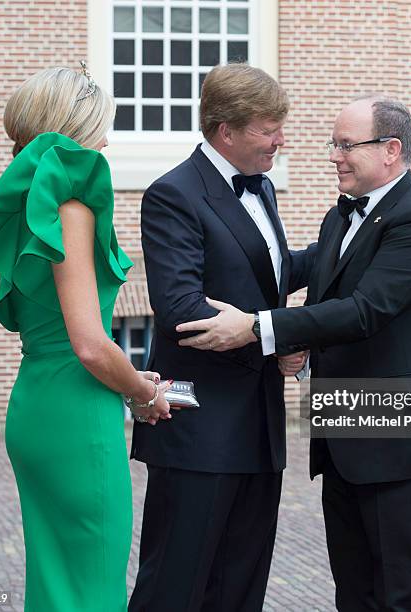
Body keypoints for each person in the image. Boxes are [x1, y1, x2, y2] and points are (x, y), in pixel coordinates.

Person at [176, 95, 411, 611]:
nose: (334, 155)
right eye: (334, 144)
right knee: (353, 595)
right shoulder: (341, 215)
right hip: (345, 434)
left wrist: (257, 329)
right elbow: (321, 291)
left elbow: (364, 311)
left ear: (391, 150)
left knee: (407, 597)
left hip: (406, 437)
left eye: (346, 145)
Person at [0, 63, 171, 611]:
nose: (107, 141)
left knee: (56, 584)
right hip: (78, 417)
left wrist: (132, 377)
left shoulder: (28, 206)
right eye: (101, 127)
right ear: (76, 130)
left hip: (37, 403)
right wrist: (142, 391)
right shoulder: (71, 206)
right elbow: (89, 345)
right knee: (92, 589)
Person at [128, 63, 316, 612]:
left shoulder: (262, 188)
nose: (280, 140)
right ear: (224, 130)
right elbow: (182, 310)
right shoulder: (173, 195)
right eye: (268, 129)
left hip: (260, 426)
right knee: (176, 588)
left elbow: (268, 274)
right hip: (200, 431)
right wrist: (275, 335)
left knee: (241, 589)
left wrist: (345, 247)